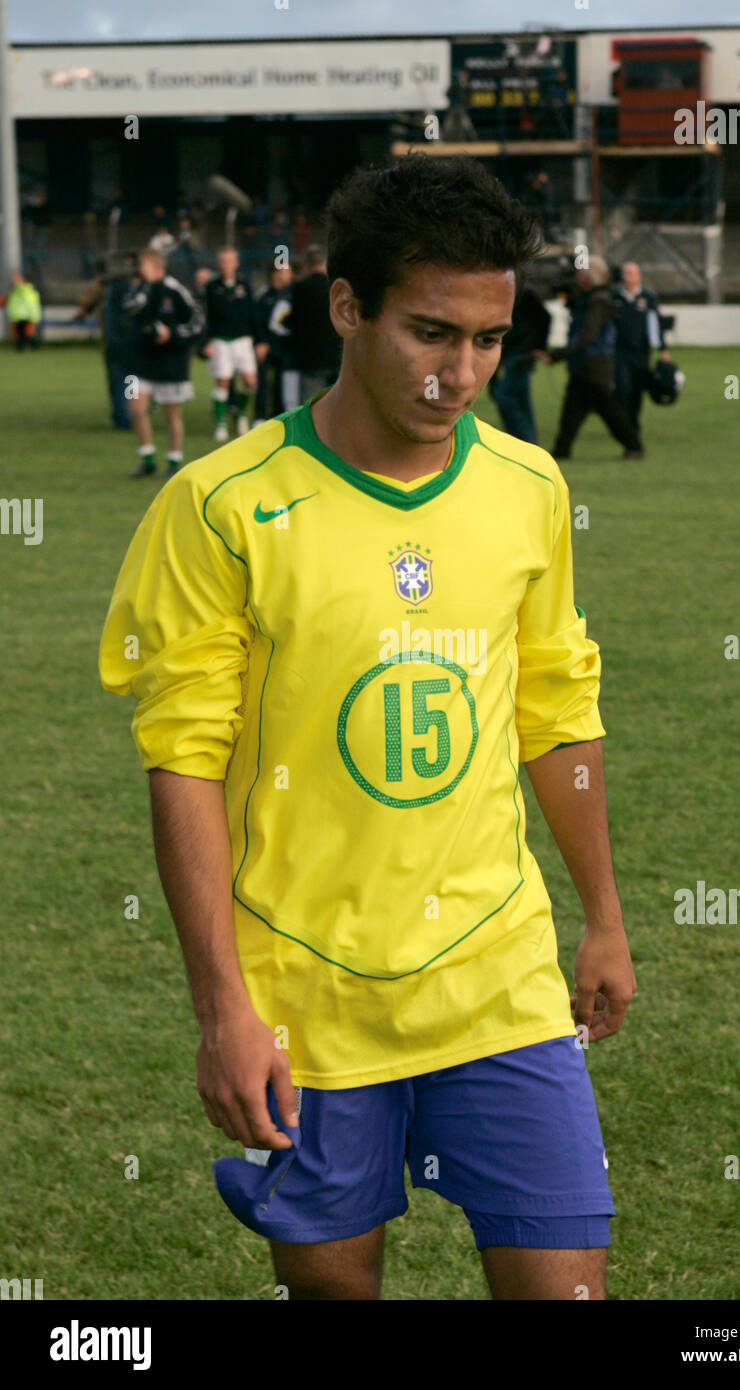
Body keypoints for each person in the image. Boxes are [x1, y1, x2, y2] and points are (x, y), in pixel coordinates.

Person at [98, 154, 635, 1302]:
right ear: (347, 305)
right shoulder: (220, 507)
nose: (461, 374)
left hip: (497, 979)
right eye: (431, 333)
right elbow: (182, 759)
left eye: (488, 341)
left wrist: (601, 917)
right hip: (308, 998)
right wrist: (223, 1011)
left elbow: (556, 713)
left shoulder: (529, 487)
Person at [548, 256, 644, 460]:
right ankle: (561, 450)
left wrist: (557, 355)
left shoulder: (598, 302)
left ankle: (634, 445)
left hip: (594, 366)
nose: (578, 278)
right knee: (575, 411)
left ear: (589, 278)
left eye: (581, 275)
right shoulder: (593, 298)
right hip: (588, 365)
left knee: (607, 410)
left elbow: (586, 336)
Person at [122, 247, 203, 478]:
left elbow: (197, 322)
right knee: (135, 407)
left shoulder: (176, 290)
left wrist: (171, 333)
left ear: (157, 267)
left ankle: (174, 461)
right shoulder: (139, 290)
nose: (140, 269)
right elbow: (126, 309)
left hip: (171, 363)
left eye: (144, 265)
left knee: (172, 414)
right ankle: (147, 459)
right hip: (141, 361)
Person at [72, 252, 138, 429]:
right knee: (131, 379)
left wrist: (82, 312)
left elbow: (84, 305)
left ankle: (120, 416)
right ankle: (132, 415)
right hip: (132, 342)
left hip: (110, 340)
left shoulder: (104, 285)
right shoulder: (138, 286)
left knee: (116, 379)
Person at [203, 246, 258, 441]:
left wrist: (259, 341)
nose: (225, 265)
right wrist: (205, 342)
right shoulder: (211, 287)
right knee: (223, 382)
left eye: (229, 261)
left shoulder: (245, 285)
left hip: (243, 340)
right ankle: (221, 423)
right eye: (222, 261)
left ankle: (241, 414)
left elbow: (253, 314)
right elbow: (206, 317)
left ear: (236, 263)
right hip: (220, 341)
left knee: (250, 382)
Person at [488, 282, 551, 443]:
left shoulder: (523, 292)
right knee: (521, 399)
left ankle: (520, 441)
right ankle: (529, 443)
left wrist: (536, 347)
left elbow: (544, 318)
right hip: (513, 351)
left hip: (520, 353)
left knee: (505, 397)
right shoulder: (517, 289)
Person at [612, 261, 670, 435]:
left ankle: (633, 423)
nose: (627, 277)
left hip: (641, 352)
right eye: (625, 273)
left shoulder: (647, 297)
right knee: (622, 388)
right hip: (619, 351)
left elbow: (655, 324)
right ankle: (623, 423)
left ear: (639, 276)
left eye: (631, 273)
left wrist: (662, 348)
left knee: (637, 389)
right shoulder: (615, 296)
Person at [287, 244, 342, 402]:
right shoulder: (335, 288)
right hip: (336, 355)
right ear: (325, 263)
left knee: (311, 408)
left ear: (307, 265)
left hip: (310, 358)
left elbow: (294, 324)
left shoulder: (299, 289)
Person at [253, 261, 293, 424]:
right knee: (262, 381)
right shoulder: (264, 295)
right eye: (281, 272)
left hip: (287, 347)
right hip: (267, 345)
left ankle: (279, 416)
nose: (284, 276)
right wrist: (261, 342)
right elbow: (256, 320)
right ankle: (260, 416)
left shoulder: (294, 294)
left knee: (282, 383)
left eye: (287, 272)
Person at [1, 272, 42, 350]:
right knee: (21, 333)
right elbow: (8, 299)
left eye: (19, 278)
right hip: (22, 315)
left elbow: (18, 288)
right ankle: (24, 346)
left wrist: (16, 280)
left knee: (24, 333)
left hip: (24, 315)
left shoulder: (24, 289)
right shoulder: (26, 290)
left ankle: (27, 345)